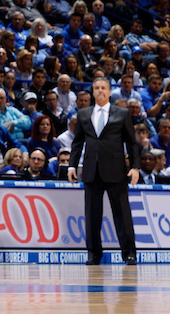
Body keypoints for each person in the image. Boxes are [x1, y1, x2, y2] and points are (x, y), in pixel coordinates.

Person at [69, 76, 139, 265]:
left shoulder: (122, 113)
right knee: (92, 216)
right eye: (96, 87)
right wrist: (71, 166)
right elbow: (77, 144)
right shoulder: (83, 114)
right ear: (93, 91)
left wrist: (134, 167)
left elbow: (132, 143)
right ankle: (94, 254)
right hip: (91, 170)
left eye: (103, 88)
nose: (99, 90)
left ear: (109, 91)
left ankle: (129, 253)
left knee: (122, 215)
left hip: (116, 171)